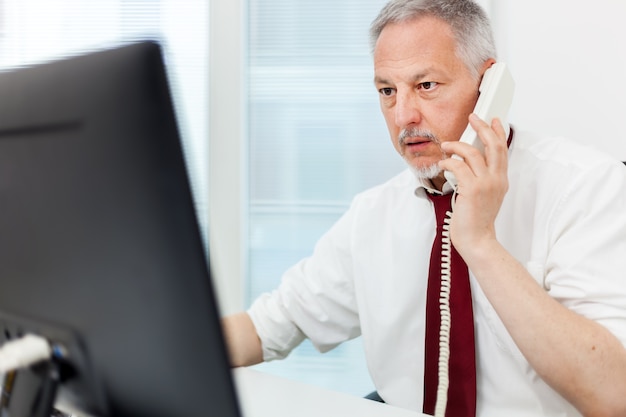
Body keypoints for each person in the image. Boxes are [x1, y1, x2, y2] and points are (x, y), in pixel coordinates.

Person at [222, 0, 626, 416]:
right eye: (387, 91)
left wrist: (482, 244)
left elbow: (613, 395)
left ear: (488, 85)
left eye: (426, 85)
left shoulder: (584, 186)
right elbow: (268, 327)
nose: (403, 116)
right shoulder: (375, 213)